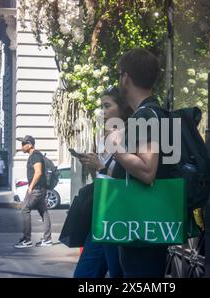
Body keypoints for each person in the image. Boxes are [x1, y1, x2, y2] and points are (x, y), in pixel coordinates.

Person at [110, 48, 173, 277]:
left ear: (126, 77)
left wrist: (116, 149)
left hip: (140, 227)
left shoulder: (145, 116)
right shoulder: (157, 113)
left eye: (120, 75)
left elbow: (147, 171)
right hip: (151, 222)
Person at [73, 87, 131, 278]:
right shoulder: (106, 137)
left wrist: (100, 166)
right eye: (101, 106)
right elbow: (102, 176)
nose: (103, 111)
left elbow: (129, 179)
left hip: (117, 218)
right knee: (83, 274)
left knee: (117, 272)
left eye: (107, 106)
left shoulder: (130, 137)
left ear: (122, 108)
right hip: (101, 216)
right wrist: (92, 164)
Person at [14, 135, 52, 249]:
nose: (21, 146)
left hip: (36, 189)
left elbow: (38, 172)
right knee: (43, 211)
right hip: (40, 188)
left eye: (23, 144)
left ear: (30, 145)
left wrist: (30, 187)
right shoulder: (34, 155)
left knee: (25, 209)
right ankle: (47, 239)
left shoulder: (35, 155)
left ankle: (27, 239)